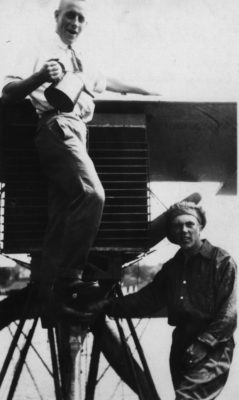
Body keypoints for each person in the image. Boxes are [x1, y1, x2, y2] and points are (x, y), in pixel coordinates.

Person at [1, 0, 157, 323]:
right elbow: (8, 91)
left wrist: (147, 90)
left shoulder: (81, 60)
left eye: (81, 18)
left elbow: (111, 82)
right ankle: (70, 278)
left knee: (62, 213)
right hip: (57, 124)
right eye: (69, 15)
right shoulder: (40, 49)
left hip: (77, 131)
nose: (74, 22)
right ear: (56, 17)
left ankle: (49, 291)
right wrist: (42, 75)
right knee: (92, 194)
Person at [91, 201, 237, 400]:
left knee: (187, 397)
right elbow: (147, 299)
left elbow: (229, 314)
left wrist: (203, 344)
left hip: (212, 347)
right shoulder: (172, 268)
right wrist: (107, 305)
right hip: (180, 345)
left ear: (200, 226)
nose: (183, 230)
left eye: (189, 224)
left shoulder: (222, 261)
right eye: (177, 226)